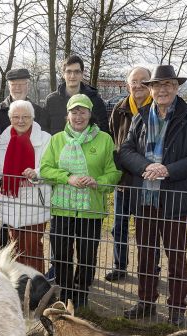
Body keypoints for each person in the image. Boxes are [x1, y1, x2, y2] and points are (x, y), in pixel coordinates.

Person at [118, 65, 187, 325]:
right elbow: (125, 151)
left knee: (176, 256)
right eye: (157, 85)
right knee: (146, 254)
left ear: (176, 87)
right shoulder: (141, 117)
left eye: (168, 84)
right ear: (150, 89)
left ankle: (176, 309)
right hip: (145, 199)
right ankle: (146, 302)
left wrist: (167, 170)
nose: (163, 89)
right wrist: (146, 166)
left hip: (176, 200)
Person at [40, 93, 120, 308]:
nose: (78, 116)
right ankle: (65, 295)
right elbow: (46, 169)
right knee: (61, 256)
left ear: (89, 114)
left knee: (86, 256)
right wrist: (68, 178)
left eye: (82, 112)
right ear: (67, 115)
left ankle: (82, 294)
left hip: (90, 210)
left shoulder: (104, 139)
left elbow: (113, 173)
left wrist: (97, 182)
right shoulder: (57, 139)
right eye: (74, 112)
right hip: (62, 210)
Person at [0, 100, 52, 272]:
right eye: (16, 117)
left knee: (32, 248)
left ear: (32, 118)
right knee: (15, 249)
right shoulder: (4, 139)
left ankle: (37, 287)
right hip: (11, 202)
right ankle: (20, 286)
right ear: (10, 119)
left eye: (25, 117)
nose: (21, 121)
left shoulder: (45, 139)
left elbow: (50, 168)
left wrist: (36, 173)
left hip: (35, 202)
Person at [105, 66, 155, 282]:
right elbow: (115, 141)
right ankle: (120, 265)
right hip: (124, 181)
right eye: (134, 81)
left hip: (150, 181)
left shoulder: (157, 108)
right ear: (128, 85)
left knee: (148, 229)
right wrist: (118, 175)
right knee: (119, 226)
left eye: (143, 81)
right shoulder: (120, 108)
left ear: (150, 84)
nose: (138, 85)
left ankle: (151, 267)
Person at [0, 67, 49, 250]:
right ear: (8, 86)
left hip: (33, 184)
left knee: (31, 240)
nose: (17, 88)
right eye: (13, 84)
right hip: (6, 179)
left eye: (21, 84)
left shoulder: (40, 112)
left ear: (28, 85)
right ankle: (5, 259)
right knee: (7, 227)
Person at [44, 55, 109, 135]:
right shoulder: (51, 101)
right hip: (59, 146)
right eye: (69, 72)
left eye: (77, 72)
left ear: (82, 74)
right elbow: (45, 132)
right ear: (63, 74)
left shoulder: (95, 100)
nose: (72, 76)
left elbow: (104, 131)